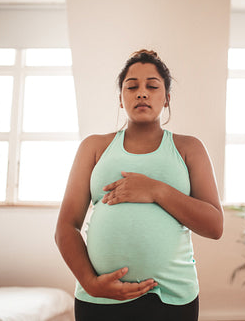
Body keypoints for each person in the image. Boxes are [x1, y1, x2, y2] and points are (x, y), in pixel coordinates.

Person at [55, 49, 224, 321]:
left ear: (166, 98)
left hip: (171, 298)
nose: (141, 93)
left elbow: (215, 226)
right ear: (121, 99)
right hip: (99, 297)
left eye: (152, 86)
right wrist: (90, 282)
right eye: (131, 87)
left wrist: (156, 190)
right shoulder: (94, 147)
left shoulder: (188, 148)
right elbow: (66, 226)